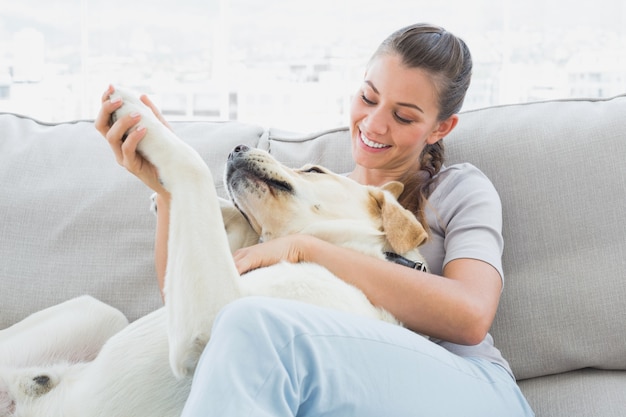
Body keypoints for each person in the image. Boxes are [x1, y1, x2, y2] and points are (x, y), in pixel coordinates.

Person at [96, 23, 534, 417]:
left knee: (256, 325)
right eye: (368, 98)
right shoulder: (301, 203)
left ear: (440, 128)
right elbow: (194, 313)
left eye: (403, 116)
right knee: (240, 327)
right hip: (348, 383)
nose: (375, 124)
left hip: (470, 389)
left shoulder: (458, 189)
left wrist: (308, 249)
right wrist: (167, 188)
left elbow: (471, 314)